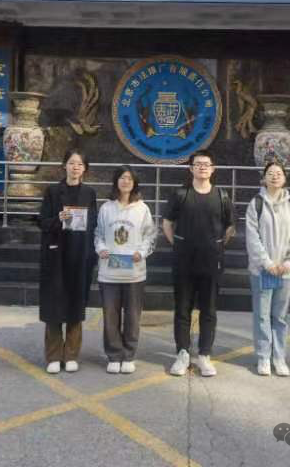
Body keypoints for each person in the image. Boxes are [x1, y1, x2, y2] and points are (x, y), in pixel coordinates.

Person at [162, 149, 235, 377]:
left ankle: (204, 355)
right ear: (191, 169)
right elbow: (167, 223)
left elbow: (230, 227)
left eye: (206, 164)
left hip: (211, 261)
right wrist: (178, 244)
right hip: (184, 260)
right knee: (182, 309)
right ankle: (182, 353)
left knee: (209, 310)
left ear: (213, 169)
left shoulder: (222, 196)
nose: (202, 167)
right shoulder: (180, 194)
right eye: (198, 164)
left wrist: (217, 246)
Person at [38, 149, 98, 374]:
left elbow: (93, 223)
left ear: (85, 169)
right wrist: (58, 219)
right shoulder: (52, 191)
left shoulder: (90, 193)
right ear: (64, 166)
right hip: (56, 254)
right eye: (72, 163)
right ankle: (53, 355)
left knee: (75, 303)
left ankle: (71, 354)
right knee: (54, 304)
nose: (75, 167)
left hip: (80, 254)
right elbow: (42, 222)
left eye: (80, 164)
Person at [245, 161, 290, 377]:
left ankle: (279, 358)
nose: (275, 176)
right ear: (264, 178)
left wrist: (289, 262)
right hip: (262, 270)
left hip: (285, 271)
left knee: (280, 316)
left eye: (279, 173)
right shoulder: (256, 204)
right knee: (262, 315)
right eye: (270, 173)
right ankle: (263, 357)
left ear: (285, 178)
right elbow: (252, 238)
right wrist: (267, 263)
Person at [95, 166, 157, 375]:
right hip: (109, 272)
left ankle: (129, 355)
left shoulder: (142, 209)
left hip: (134, 272)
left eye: (129, 178)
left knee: (132, 316)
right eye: (122, 177)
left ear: (135, 183)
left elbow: (150, 235)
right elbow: (98, 234)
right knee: (110, 316)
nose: (125, 181)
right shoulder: (106, 208)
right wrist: (101, 249)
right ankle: (114, 355)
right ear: (116, 181)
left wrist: (142, 252)